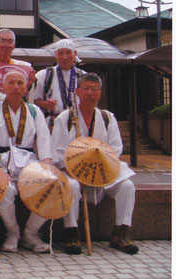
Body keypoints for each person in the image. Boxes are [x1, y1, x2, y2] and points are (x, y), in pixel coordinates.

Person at [51, 73, 138, 255]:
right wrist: (77, 170)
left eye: (94, 89)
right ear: (77, 92)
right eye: (86, 88)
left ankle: (121, 233)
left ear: (99, 93)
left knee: (127, 186)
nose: (90, 93)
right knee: (72, 186)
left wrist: (98, 167)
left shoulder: (107, 117)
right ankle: (71, 232)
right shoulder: (66, 118)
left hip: (103, 171)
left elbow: (115, 148)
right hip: (74, 171)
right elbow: (58, 150)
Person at [0, 70, 53, 254]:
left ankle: (31, 233)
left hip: (29, 162)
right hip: (1, 161)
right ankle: (13, 232)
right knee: (3, 189)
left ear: (26, 88)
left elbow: (43, 139)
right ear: (3, 86)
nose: (16, 87)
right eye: (11, 82)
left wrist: (46, 165)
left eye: (20, 83)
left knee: (50, 185)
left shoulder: (35, 111)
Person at [34, 39, 86, 129]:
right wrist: (45, 104)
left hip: (78, 123)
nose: (64, 57)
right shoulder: (44, 75)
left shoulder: (83, 76)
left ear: (75, 53)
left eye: (68, 52)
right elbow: (34, 101)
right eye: (60, 53)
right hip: (53, 123)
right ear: (55, 54)